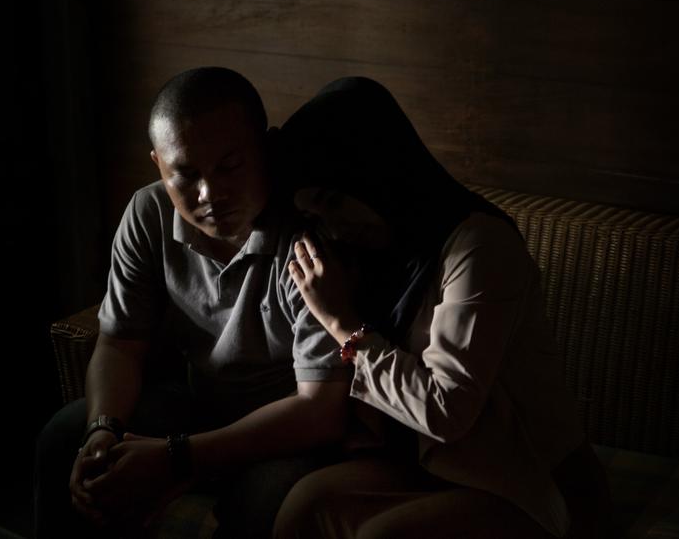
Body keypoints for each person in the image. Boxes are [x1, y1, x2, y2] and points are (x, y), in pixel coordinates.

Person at [272, 77, 611, 538]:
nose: (331, 226)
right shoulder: (365, 253)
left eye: (334, 200)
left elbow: (446, 411)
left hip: (525, 478)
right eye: (315, 215)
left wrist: (341, 323)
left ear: (375, 171)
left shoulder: (480, 247)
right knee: (304, 506)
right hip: (427, 466)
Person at [34, 67, 352, 538]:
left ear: (264, 149)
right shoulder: (149, 213)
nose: (209, 195)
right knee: (65, 437)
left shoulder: (306, 232)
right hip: (201, 403)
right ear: (158, 164)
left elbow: (320, 410)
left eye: (230, 166)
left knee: (260, 505)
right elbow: (119, 344)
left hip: (289, 430)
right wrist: (103, 429)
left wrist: (177, 458)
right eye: (185, 174)